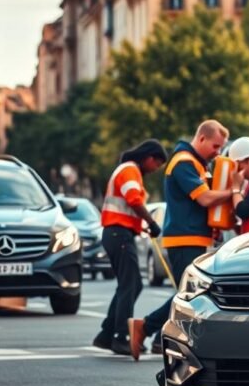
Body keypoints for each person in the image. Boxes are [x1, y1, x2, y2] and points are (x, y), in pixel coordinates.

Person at [129, 120, 233, 361]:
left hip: (192, 236)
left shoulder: (196, 162)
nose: (217, 152)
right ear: (202, 138)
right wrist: (234, 192)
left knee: (189, 294)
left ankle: (155, 337)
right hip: (184, 238)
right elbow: (205, 199)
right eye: (216, 146)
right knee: (189, 296)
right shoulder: (184, 162)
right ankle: (144, 327)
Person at [93, 139, 167, 356]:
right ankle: (121, 337)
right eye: (157, 164)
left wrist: (139, 226)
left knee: (129, 284)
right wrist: (152, 223)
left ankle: (107, 334)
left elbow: (127, 208)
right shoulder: (130, 170)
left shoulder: (128, 170)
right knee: (131, 284)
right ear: (149, 158)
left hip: (118, 234)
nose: (155, 170)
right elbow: (134, 199)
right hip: (118, 234)